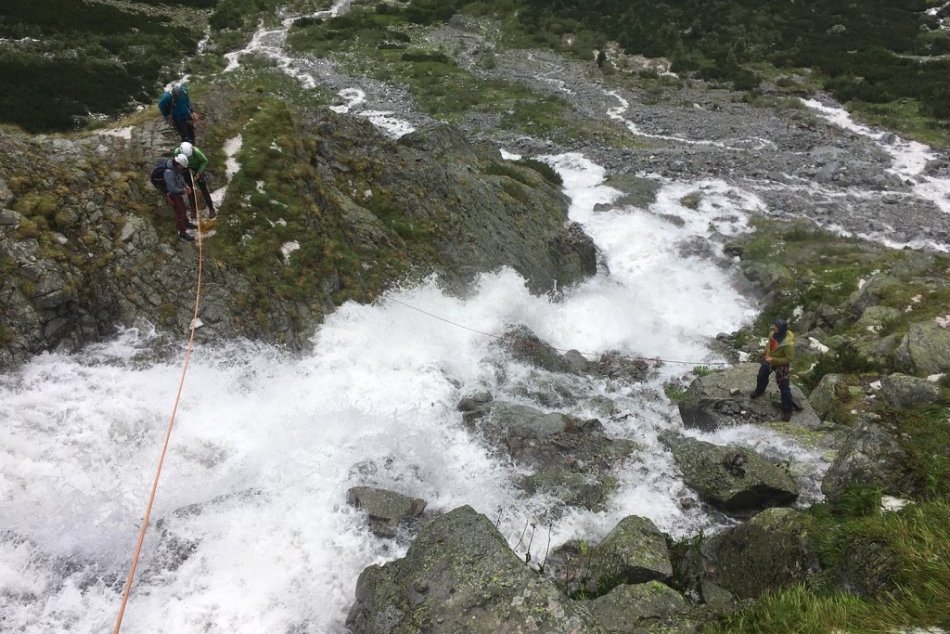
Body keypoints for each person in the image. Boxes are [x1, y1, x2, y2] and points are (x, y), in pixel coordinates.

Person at [750, 319, 795, 421]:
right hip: (770, 359)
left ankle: (787, 411)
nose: (773, 327)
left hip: (781, 364)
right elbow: (769, 345)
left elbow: (789, 359)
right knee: (762, 375)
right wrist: (765, 352)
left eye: (775, 326)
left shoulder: (788, 344)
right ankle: (759, 391)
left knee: (784, 387)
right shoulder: (772, 334)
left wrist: (773, 359)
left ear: (781, 329)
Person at [151, 154, 197, 242]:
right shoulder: (168, 172)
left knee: (183, 206)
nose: (183, 168)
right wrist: (183, 191)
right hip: (169, 191)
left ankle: (186, 222)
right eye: (182, 167)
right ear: (179, 164)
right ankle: (182, 232)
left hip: (174, 188)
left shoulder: (175, 167)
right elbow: (172, 188)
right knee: (180, 211)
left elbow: (180, 177)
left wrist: (186, 186)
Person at [173, 141, 216, 219]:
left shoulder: (197, 152)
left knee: (203, 188)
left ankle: (211, 208)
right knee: (189, 189)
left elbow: (204, 161)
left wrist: (198, 173)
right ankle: (193, 209)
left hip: (197, 167)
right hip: (185, 168)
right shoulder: (177, 152)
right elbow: (177, 163)